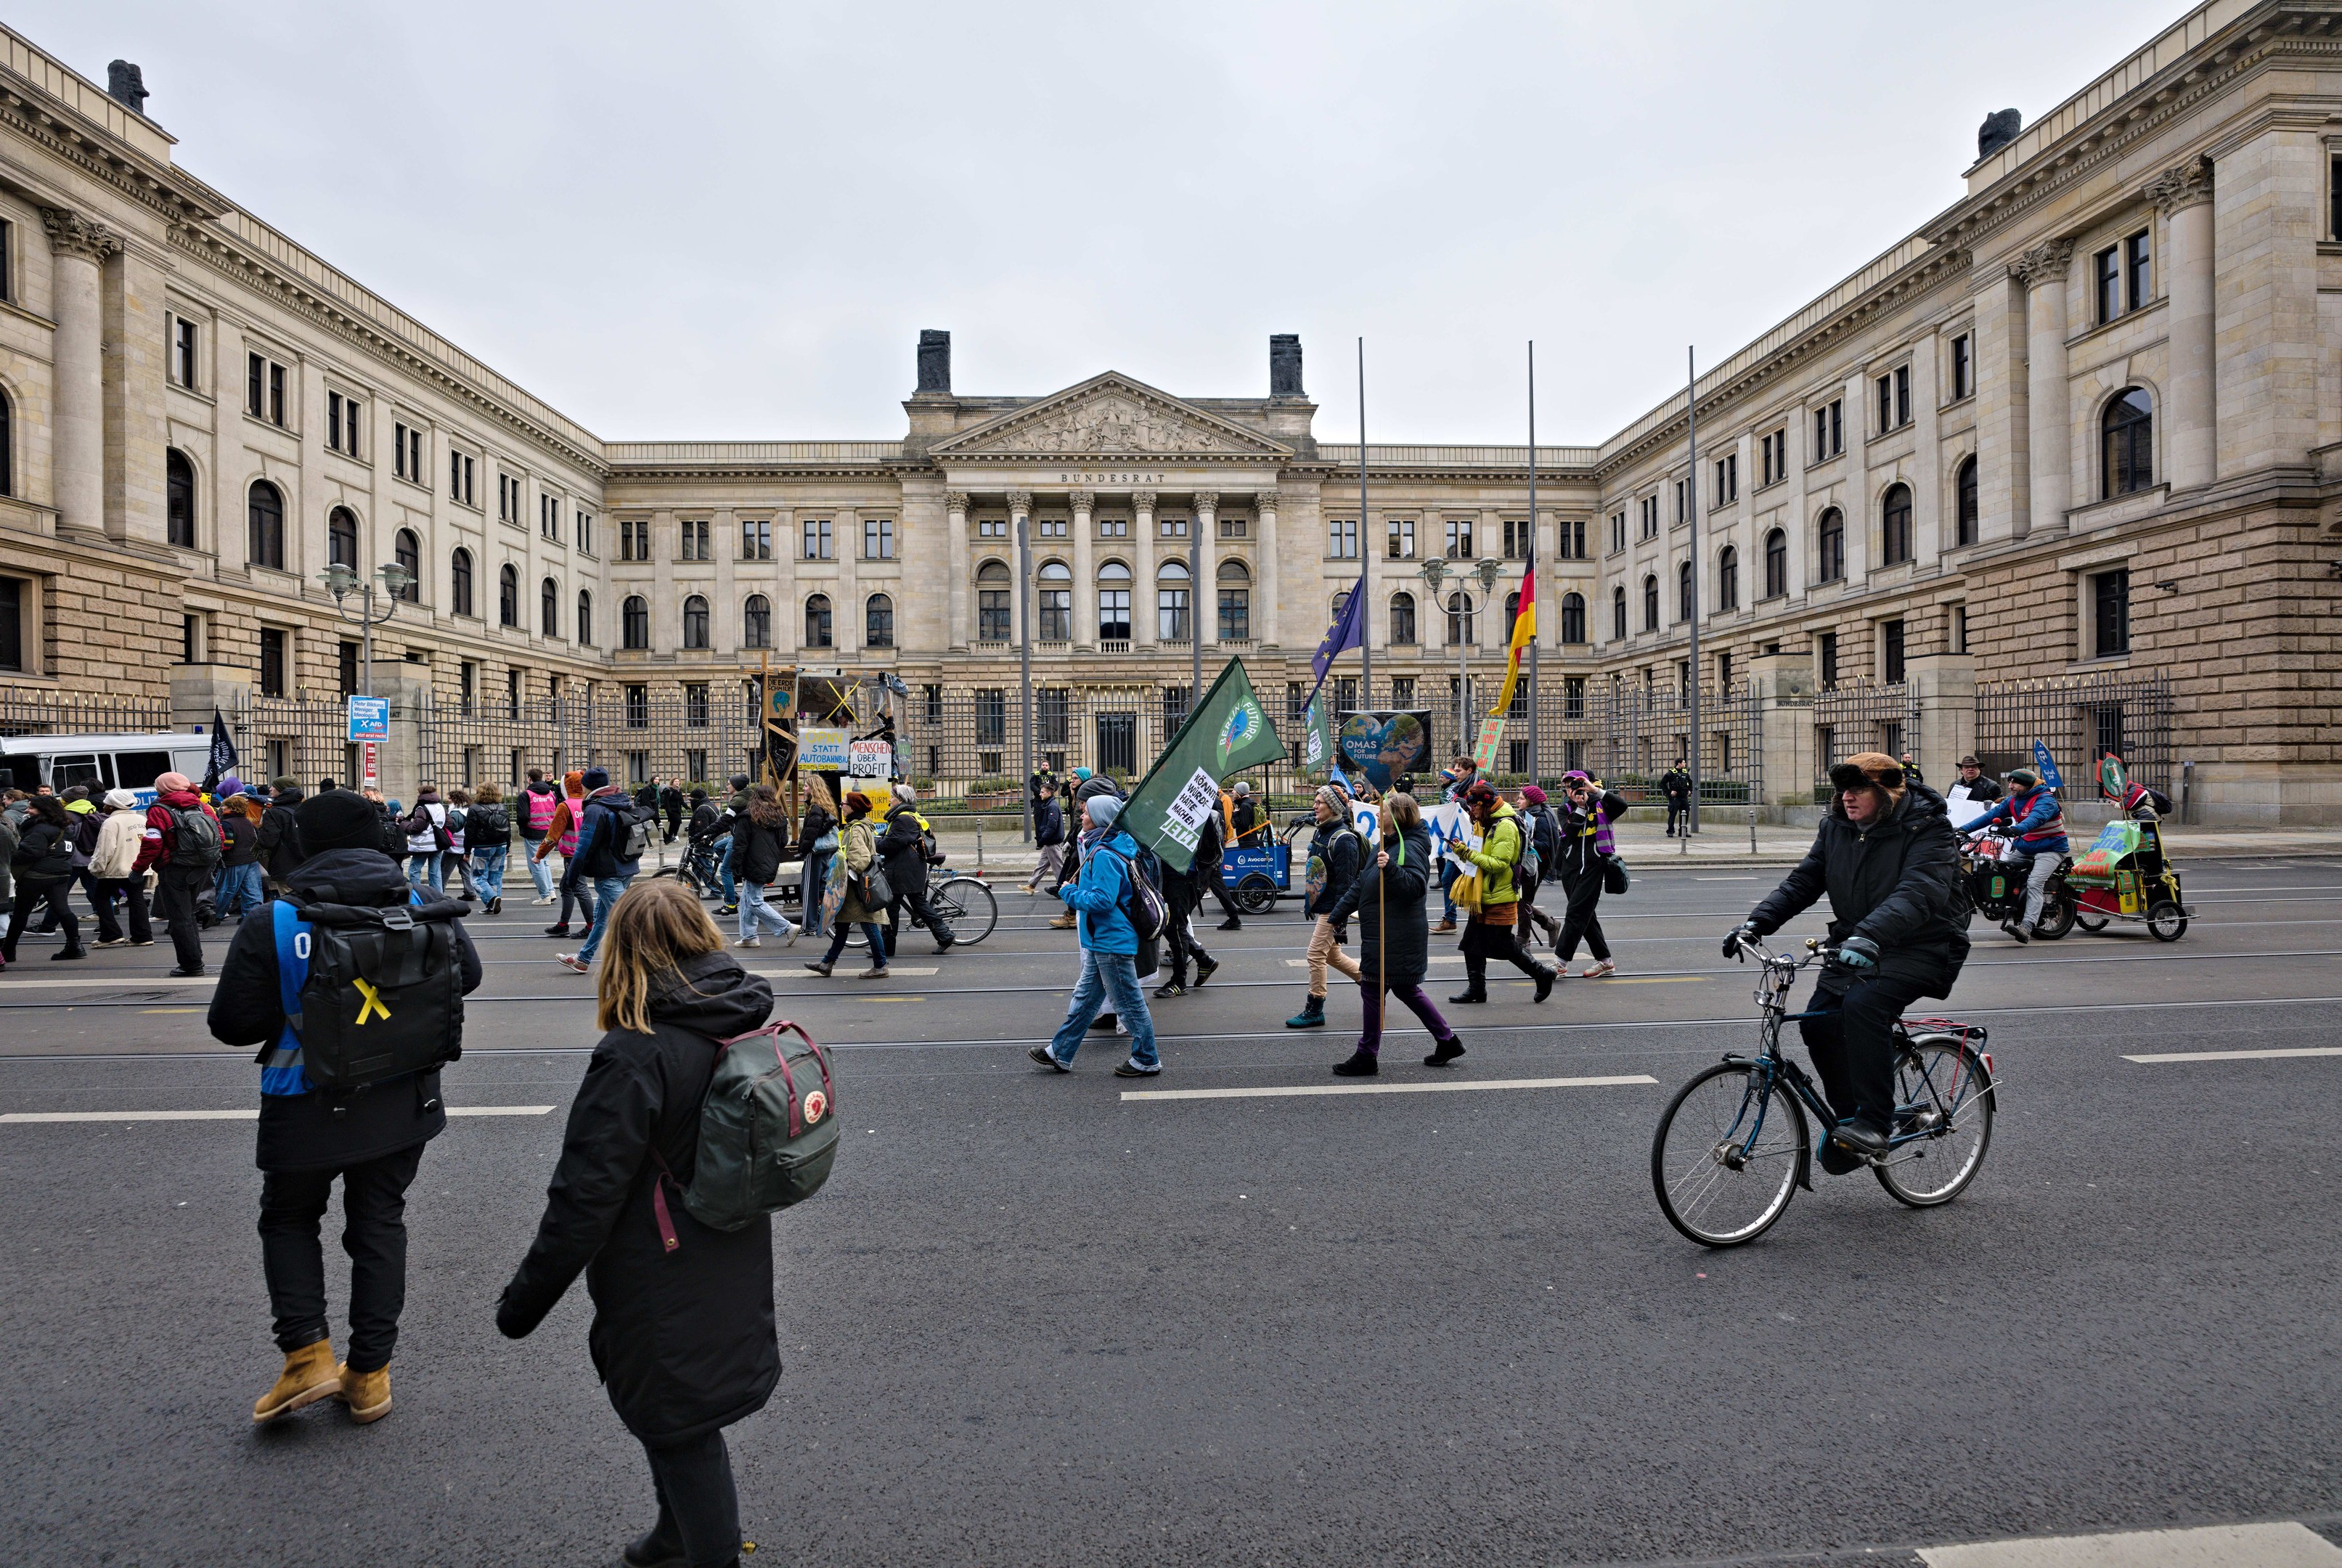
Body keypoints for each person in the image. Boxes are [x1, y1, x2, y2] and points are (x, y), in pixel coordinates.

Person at [497, 880, 778, 1568]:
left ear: (623, 950)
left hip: (661, 1255)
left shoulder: (636, 1050)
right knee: (677, 1404)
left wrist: (523, 1302)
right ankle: (675, 1533)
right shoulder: (739, 1012)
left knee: (680, 1421)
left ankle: (707, 1550)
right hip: (729, 1234)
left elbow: (584, 1195)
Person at [207, 787, 484, 1426]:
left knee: (289, 1220)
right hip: (403, 1094)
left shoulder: (275, 921)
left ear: (304, 843)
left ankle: (306, 1357)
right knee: (380, 1223)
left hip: (303, 1099)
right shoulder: (418, 903)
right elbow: (464, 978)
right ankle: (370, 1376)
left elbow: (233, 1026)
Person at [1726, 752, 1967, 1163]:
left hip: (1923, 944)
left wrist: (1869, 934)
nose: (1847, 798)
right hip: (1855, 943)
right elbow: (1804, 880)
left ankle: (1874, 1123)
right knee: (1819, 1025)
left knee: (1863, 1005)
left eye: (1858, 790)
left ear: (1887, 792)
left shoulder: (1929, 829)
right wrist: (1757, 923)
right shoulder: (1837, 826)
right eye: (1842, 790)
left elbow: (1920, 891)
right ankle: (1850, 1120)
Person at [1323, 793, 1462, 1076]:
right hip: (1384, 932)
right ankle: (1447, 1041)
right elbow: (1361, 885)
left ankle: (1367, 1055)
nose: (1376, 815)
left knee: (1373, 989)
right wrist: (1336, 916)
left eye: (1381, 811)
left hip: (1396, 935)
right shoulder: (1384, 845)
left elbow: (1415, 888)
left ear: (1396, 817)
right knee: (1404, 988)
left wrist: (1393, 868)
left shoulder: (1409, 848)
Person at [1028, 796, 1161, 1077]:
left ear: (1101, 818)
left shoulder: (1104, 854)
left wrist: (1069, 893)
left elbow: (1102, 900)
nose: (1081, 815)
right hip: (1101, 939)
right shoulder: (1104, 846)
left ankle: (1147, 1058)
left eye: (1087, 812)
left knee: (1128, 1004)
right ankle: (1060, 1052)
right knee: (1087, 1001)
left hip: (1110, 941)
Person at [1450, 779, 1557, 1005]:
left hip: (1500, 894)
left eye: (1475, 806)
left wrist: (1467, 854)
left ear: (1486, 804)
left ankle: (1542, 973)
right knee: (1472, 942)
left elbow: (1498, 863)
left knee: (1504, 944)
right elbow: (1482, 852)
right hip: (1482, 894)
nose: (1471, 811)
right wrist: (1464, 850)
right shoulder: (1487, 822)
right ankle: (1477, 988)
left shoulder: (1505, 825)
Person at [1285, 785, 1365, 1029]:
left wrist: (1340, 922)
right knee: (1333, 956)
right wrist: (1310, 903)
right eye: (1315, 801)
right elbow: (1316, 874)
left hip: (1334, 909)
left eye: (1319, 802)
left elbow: (1347, 886)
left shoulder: (1344, 840)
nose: (1314, 805)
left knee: (1315, 955)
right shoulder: (1321, 831)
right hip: (1325, 905)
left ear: (1333, 808)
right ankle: (1374, 982)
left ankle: (1315, 1009)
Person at [558, 767, 645, 973]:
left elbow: (584, 845)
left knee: (627, 919)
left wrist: (572, 875)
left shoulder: (596, 808)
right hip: (626, 867)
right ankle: (583, 959)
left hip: (609, 873)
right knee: (602, 920)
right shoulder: (620, 799)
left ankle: (652, 963)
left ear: (587, 786)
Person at [1970, 766, 2068, 944]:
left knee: (2035, 882)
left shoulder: (2045, 800)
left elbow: (2035, 819)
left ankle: (2027, 927)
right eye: (2010, 782)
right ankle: (2010, 905)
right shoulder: (2013, 800)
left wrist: (2016, 829)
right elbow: (1990, 816)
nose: (2011, 785)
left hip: (2051, 849)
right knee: (1997, 867)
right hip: (2026, 847)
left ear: (2027, 785)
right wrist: (1963, 829)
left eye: (2015, 782)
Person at [802, 790, 889, 980]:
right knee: (842, 926)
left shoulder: (856, 830)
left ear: (852, 808)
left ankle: (881, 966)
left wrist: (843, 875)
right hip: (854, 889)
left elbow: (861, 860)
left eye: (844, 804)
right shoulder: (861, 826)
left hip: (858, 889)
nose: (841, 807)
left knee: (869, 926)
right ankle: (827, 963)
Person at [1550, 771, 1628, 979]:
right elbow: (1570, 830)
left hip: (1594, 867)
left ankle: (1560, 963)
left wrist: (1594, 791)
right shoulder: (1565, 808)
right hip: (1570, 868)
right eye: (1566, 786)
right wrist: (1581, 808)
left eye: (1575, 785)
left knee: (1576, 913)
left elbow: (1622, 806)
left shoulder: (1601, 804)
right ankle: (1605, 962)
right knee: (1586, 916)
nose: (1570, 790)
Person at [144, 771, 221, 977]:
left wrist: (138, 868)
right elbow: (219, 834)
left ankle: (191, 964)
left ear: (162, 788)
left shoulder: (159, 809)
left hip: (174, 868)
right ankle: (195, 958)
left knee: (180, 918)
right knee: (189, 914)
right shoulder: (202, 806)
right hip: (201, 867)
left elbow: (152, 844)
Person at [1, 793, 84, 964]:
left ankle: (8, 951)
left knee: (20, 914)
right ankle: (75, 946)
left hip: (37, 875)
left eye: (31, 807)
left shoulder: (39, 828)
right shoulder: (64, 827)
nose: (27, 810)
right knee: (63, 910)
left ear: (43, 810)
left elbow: (30, 852)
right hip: (61, 873)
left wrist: (12, 857)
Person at [1151, 804, 1220, 1000]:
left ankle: (1179, 981)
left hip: (1182, 875)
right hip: (1174, 874)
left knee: (1176, 927)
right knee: (1170, 926)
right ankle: (1203, 959)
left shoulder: (1188, 806)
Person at [877, 784, 952, 959]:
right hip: (909, 869)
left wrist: (874, 844)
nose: (889, 800)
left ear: (901, 800)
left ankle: (886, 949)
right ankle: (945, 935)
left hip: (902, 871)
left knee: (891, 908)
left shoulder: (903, 819)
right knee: (919, 905)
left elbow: (890, 844)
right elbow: (894, 837)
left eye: (892, 797)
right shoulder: (911, 816)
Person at [729, 785, 799, 949]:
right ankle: (749, 936)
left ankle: (787, 927)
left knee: (754, 902)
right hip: (770, 862)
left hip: (752, 863)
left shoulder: (747, 817)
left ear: (755, 798)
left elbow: (739, 845)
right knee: (746, 900)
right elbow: (783, 842)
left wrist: (735, 867)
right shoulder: (780, 818)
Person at [89, 788, 152, 948]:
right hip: (139, 867)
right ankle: (142, 935)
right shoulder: (141, 818)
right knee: (137, 899)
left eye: (107, 804)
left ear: (113, 806)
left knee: (101, 898)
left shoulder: (111, 822)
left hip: (116, 869)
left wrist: (96, 868)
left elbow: (104, 850)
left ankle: (111, 934)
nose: (104, 806)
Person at [539, 771, 594, 938]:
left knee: (579, 887)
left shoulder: (566, 806)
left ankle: (592, 926)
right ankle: (563, 924)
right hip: (586, 852)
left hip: (572, 854)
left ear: (565, 787)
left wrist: (539, 855)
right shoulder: (588, 802)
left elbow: (553, 836)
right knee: (566, 886)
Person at [1513, 784, 1564, 948]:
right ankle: (1549, 924)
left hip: (1536, 868)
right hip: (1526, 864)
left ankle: (1523, 939)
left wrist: (1527, 841)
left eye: (1521, 798)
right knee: (1520, 901)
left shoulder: (1540, 818)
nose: (1518, 801)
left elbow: (1545, 845)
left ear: (1530, 801)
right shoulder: (1525, 814)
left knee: (1523, 902)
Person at [793, 777, 837, 938]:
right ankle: (828, 917)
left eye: (806, 786)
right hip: (825, 851)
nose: (803, 789)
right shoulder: (825, 805)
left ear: (814, 788)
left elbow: (812, 833)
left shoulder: (816, 808)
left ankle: (809, 926)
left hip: (815, 852)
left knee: (808, 889)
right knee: (820, 887)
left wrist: (803, 850)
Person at [216, 793, 266, 919]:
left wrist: (219, 855)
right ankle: (252, 914)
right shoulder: (249, 823)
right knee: (252, 888)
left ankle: (216, 914)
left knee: (226, 889)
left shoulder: (227, 824)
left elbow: (227, 845)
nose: (222, 808)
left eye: (225, 806)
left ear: (232, 808)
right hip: (252, 859)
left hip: (234, 860)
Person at [467, 783, 512, 914]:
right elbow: (508, 829)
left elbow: (469, 832)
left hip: (483, 847)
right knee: (496, 876)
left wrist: (467, 851)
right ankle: (492, 905)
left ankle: (491, 899)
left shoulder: (474, 808)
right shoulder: (502, 807)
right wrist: (508, 847)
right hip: (501, 846)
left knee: (477, 877)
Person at [518, 767, 561, 905]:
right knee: (545, 862)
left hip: (533, 832)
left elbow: (523, 816)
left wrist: (522, 826)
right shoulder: (550, 793)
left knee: (536, 864)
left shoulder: (526, 795)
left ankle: (545, 896)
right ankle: (551, 891)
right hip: (549, 832)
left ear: (529, 779)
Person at [258, 780, 307, 900]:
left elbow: (268, 841)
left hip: (284, 864)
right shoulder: (306, 810)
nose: (270, 789)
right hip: (307, 864)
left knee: (289, 900)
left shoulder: (274, 813)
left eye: (274, 786)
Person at [714, 774, 754, 918]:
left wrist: (706, 834)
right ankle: (733, 872)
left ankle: (730, 903)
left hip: (738, 837)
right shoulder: (747, 796)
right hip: (736, 834)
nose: (727, 786)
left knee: (724, 870)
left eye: (729, 783)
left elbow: (725, 820)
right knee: (718, 847)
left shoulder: (738, 800)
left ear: (736, 786)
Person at [401, 785, 449, 895]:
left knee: (414, 869)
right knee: (435, 871)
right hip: (438, 844)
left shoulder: (422, 808)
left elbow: (416, 828)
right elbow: (450, 823)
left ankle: (418, 895)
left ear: (422, 794)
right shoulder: (441, 807)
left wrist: (404, 824)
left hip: (423, 844)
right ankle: (438, 897)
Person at [1024, 780, 1066, 896]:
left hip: (1051, 841)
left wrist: (1042, 840)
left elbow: (1051, 826)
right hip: (1049, 841)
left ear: (1049, 793)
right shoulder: (1049, 804)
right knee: (1042, 864)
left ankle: (1063, 888)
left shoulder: (1052, 806)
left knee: (1058, 866)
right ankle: (1031, 885)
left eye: (1042, 792)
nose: (1040, 794)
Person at [1659, 761, 1693, 837]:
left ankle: (1683, 831)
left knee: (1685, 814)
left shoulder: (1685, 772)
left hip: (1684, 797)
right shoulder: (1671, 773)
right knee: (1672, 815)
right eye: (1684, 762)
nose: (1685, 764)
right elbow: (1662, 783)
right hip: (1675, 798)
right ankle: (1670, 831)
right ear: (1679, 763)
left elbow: (1690, 782)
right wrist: (1669, 792)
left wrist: (1690, 790)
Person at [659, 777, 686, 844]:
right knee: (678, 821)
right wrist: (668, 810)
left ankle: (670, 836)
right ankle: (675, 835)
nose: (677, 783)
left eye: (678, 782)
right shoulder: (669, 790)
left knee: (673, 823)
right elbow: (667, 801)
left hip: (678, 809)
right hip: (671, 810)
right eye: (675, 782)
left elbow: (681, 800)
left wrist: (687, 807)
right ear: (672, 783)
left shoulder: (679, 790)